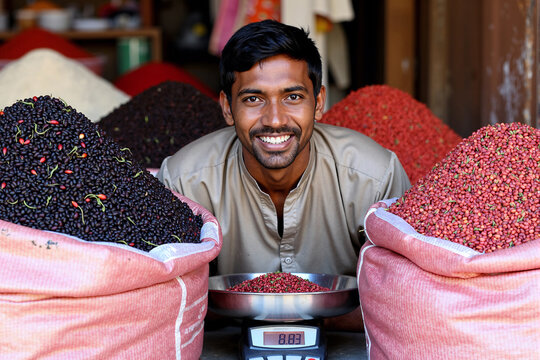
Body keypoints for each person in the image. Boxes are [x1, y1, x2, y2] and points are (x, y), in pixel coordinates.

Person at [157, 20, 410, 329]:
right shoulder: (184, 181)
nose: (274, 120)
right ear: (226, 108)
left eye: (293, 97)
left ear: (318, 103)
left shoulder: (374, 177)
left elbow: (407, 295)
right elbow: (165, 301)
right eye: (253, 99)